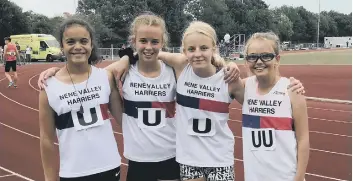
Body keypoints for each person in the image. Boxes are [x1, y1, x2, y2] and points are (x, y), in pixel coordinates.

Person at [37, 13, 241, 181]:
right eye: (143, 41)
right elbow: (87, 76)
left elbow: (203, 59)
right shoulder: (120, 71)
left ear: (162, 43)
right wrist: (55, 71)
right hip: (137, 161)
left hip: (171, 157)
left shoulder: (174, 69)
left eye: (155, 42)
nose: (149, 46)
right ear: (134, 41)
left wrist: (225, 63)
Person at [154, 21, 305, 181]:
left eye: (204, 48)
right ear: (184, 51)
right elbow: (152, 52)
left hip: (220, 159)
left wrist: (289, 85)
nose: (197, 53)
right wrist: (126, 60)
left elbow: (259, 93)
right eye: (191, 49)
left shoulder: (228, 79)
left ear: (214, 48)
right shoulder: (181, 66)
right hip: (189, 159)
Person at [38, 18, 123, 181]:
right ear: (62, 46)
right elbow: (47, 139)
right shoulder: (48, 87)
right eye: (70, 41)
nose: (78, 47)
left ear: (91, 45)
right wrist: (49, 178)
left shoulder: (106, 77)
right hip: (73, 172)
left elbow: (125, 120)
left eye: (84, 41)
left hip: (109, 167)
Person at [241, 32, 309, 181]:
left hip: (286, 176)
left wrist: (299, 177)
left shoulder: (292, 90)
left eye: (266, 56)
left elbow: (303, 139)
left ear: (277, 59)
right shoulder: (245, 87)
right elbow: (221, 76)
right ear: (246, 61)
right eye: (252, 57)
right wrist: (230, 65)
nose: (259, 61)